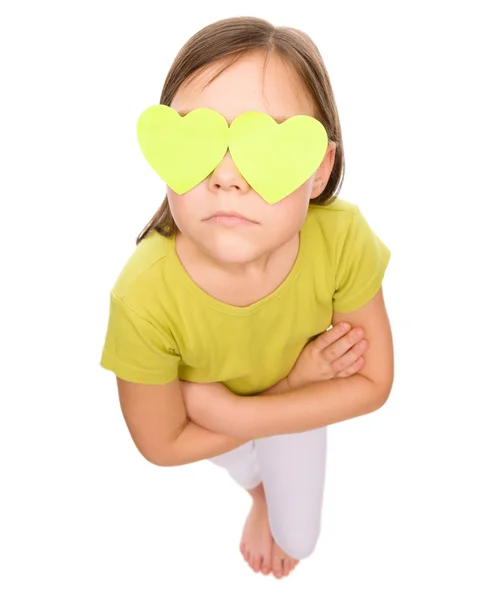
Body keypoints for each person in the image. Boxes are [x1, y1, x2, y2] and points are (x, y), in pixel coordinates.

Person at [99, 16, 394, 580]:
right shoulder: (142, 297)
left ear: (316, 171)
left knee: (299, 539)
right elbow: (163, 443)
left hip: (219, 407)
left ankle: (266, 484)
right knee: (238, 458)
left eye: (267, 145)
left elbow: (374, 384)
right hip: (246, 412)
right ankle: (257, 487)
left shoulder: (342, 238)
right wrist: (292, 386)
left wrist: (233, 407)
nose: (227, 177)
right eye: (199, 140)